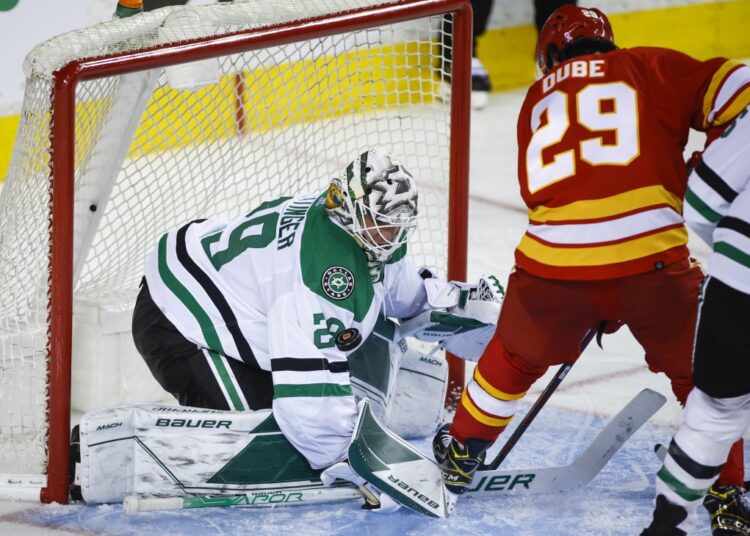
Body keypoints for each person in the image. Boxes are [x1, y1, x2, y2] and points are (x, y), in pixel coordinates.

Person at [432, 4, 750, 529]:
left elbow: (542, 193)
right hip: (655, 261)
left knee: (511, 357)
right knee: (705, 378)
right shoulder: (646, 66)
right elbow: (738, 85)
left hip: (554, 265)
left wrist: (590, 293)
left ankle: (463, 451)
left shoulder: (535, 100)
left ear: (550, 55)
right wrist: (705, 169)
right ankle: (726, 492)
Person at [130, 147, 498, 476]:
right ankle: (109, 452)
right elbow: (308, 399)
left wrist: (460, 305)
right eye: (384, 224)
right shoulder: (324, 276)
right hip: (175, 317)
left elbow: (398, 292)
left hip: (213, 274)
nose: (393, 235)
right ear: (353, 211)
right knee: (269, 446)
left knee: (368, 332)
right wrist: (347, 459)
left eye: (399, 224)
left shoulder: (358, 226)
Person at [642, 107, 750, 535]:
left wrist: (732, 259)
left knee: (716, 411)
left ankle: (669, 525)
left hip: (739, 278)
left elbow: (703, 200)